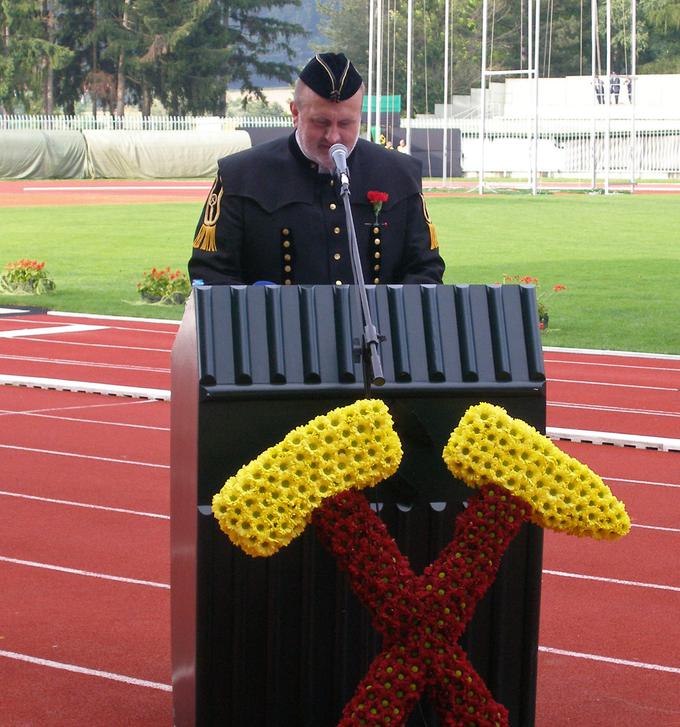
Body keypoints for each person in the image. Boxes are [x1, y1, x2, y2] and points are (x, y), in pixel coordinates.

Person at [189, 52, 445, 287]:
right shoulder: (240, 176)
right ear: (295, 112)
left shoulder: (399, 174)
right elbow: (212, 273)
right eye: (320, 122)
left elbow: (425, 269)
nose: (333, 137)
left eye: (346, 123)